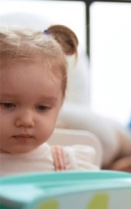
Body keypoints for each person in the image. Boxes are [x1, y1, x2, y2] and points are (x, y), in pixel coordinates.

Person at [0, 24, 98, 176]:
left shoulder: (69, 165)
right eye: (8, 104)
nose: (26, 121)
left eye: (42, 107)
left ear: (59, 106)